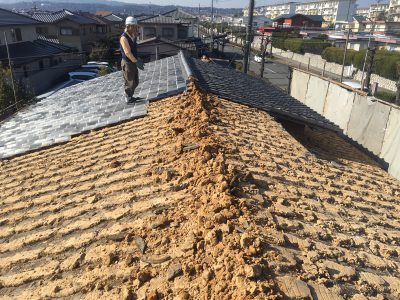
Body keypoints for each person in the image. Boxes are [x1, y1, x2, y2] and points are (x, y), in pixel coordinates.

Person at [120, 16, 140, 104]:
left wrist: (137, 59)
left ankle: (130, 96)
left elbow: (134, 49)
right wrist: (136, 61)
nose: (136, 28)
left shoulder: (132, 35)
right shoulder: (124, 38)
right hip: (128, 63)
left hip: (133, 61)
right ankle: (128, 97)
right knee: (129, 81)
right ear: (128, 26)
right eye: (134, 26)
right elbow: (127, 53)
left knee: (135, 81)